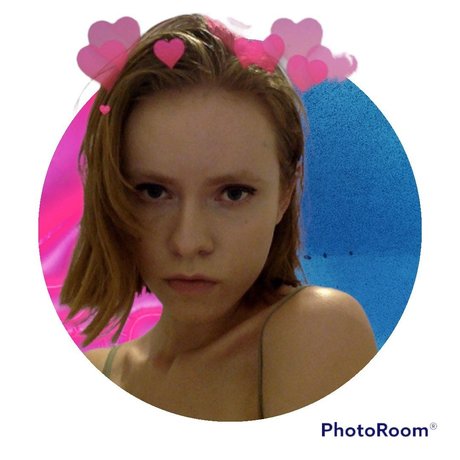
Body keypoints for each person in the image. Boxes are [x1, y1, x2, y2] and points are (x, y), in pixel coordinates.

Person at [61, 13, 377, 421]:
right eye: (153, 192)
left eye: (233, 193)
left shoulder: (317, 329)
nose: (188, 241)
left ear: (285, 192)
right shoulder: (93, 373)